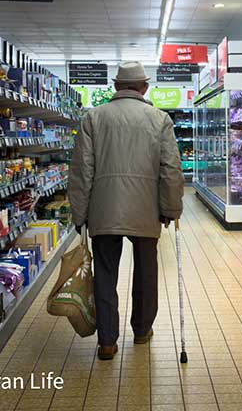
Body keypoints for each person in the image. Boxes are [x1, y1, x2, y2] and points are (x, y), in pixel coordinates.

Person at [68, 61, 184, 360]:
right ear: (144, 88)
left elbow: (82, 170)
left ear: (116, 87)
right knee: (146, 272)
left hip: (103, 210)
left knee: (105, 274)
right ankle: (142, 331)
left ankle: (107, 341)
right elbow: (170, 169)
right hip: (146, 210)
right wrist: (171, 208)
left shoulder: (93, 118)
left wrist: (79, 214)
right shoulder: (160, 119)